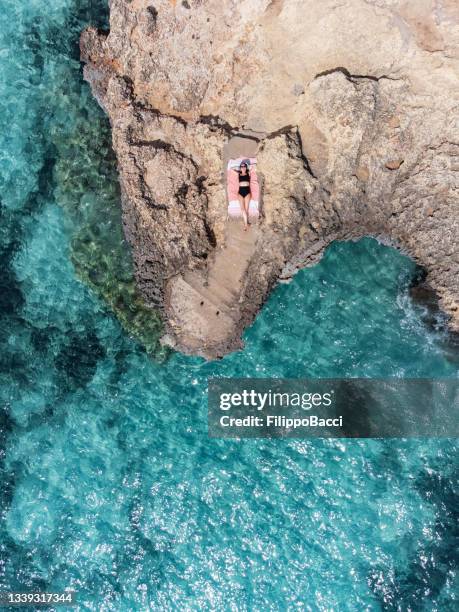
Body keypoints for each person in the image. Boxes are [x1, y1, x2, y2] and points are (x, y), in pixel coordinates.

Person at [237, 162, 251, 230]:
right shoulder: (238, 174)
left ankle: (246, 224)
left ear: (246, 167)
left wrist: (248, 166)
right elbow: (231, 169)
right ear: (240, 168)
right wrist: (238, 168)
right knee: (242, 209)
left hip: (247, 192)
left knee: (246, 209)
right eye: (241, 166)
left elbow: (254, 166)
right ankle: (246, 224)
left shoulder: (249, 173)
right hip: (240, 192)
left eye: (244, 166)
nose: (243, 167)